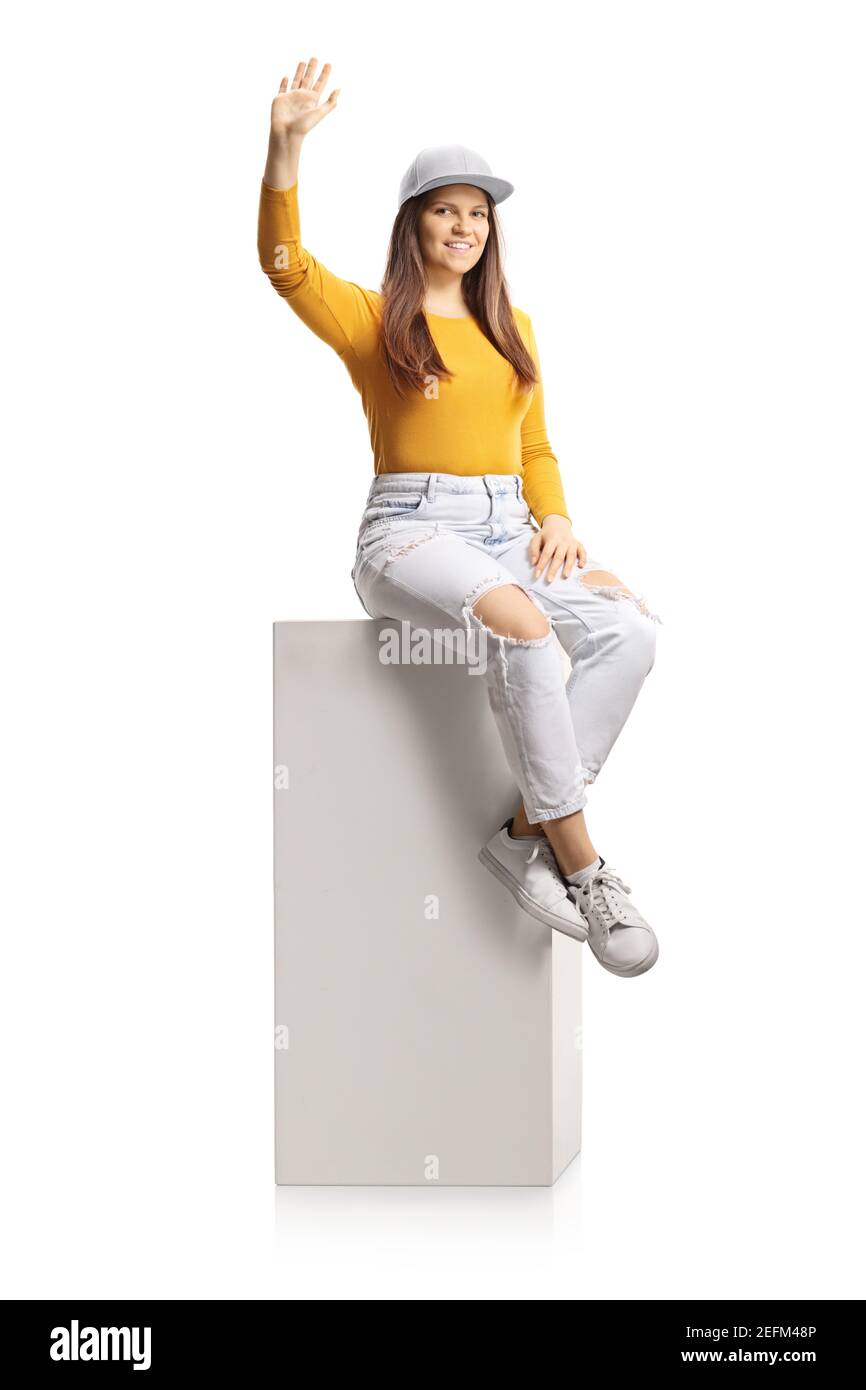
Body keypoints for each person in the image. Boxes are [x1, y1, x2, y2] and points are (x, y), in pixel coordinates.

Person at [258, 58, 662, 977]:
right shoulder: (374, 321)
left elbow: (536, 448)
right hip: (409, 532)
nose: (466, 226)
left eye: (479, 213)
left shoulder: (513, 327)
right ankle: (584, 866)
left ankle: (525, 833)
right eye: (447, 209)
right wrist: (284, 148)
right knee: (522, 631)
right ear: (414, 224)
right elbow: (285, 268)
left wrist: (555, 520)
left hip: (509, 526)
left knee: (629, 631)